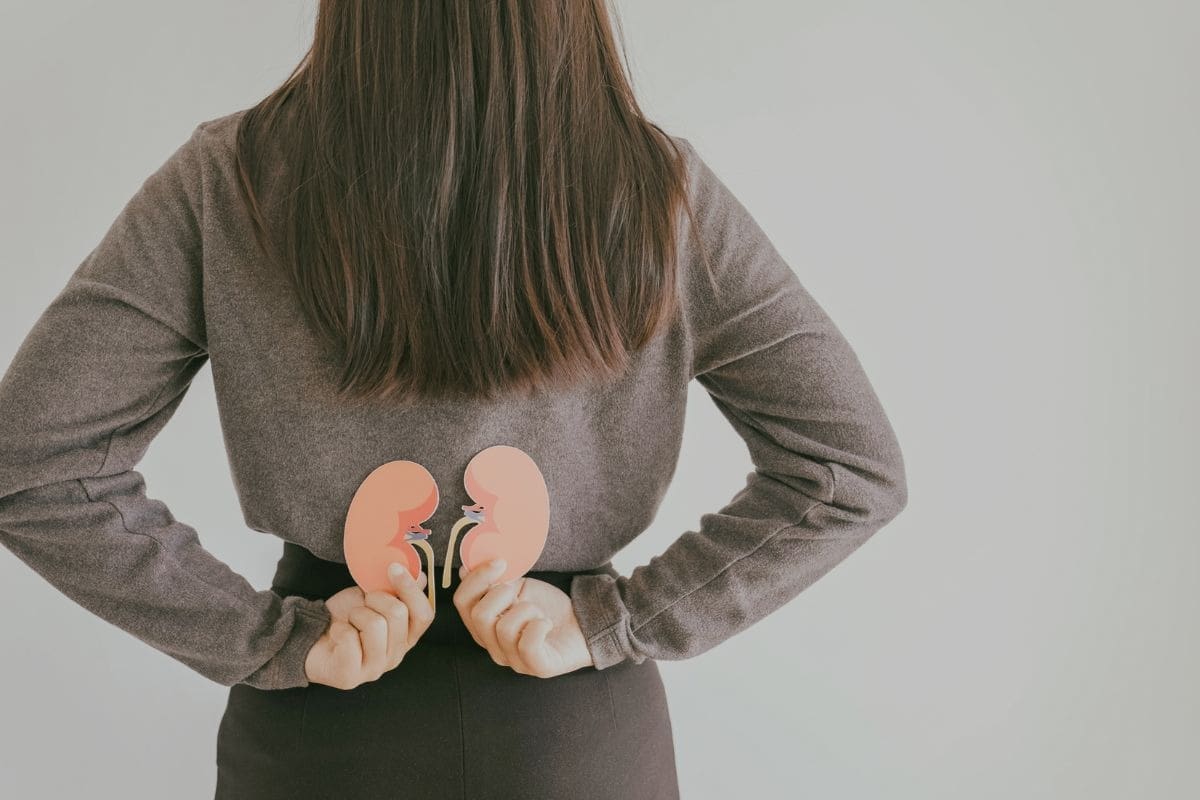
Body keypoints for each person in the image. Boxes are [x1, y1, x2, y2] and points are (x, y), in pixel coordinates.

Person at [0, 2, 908, 798]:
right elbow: (847, 468)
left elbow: (31, 461)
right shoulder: (662, 194)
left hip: (323, 736)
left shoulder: (228, 181)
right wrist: (616, 620)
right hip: (577, 746)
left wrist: (269, 638)